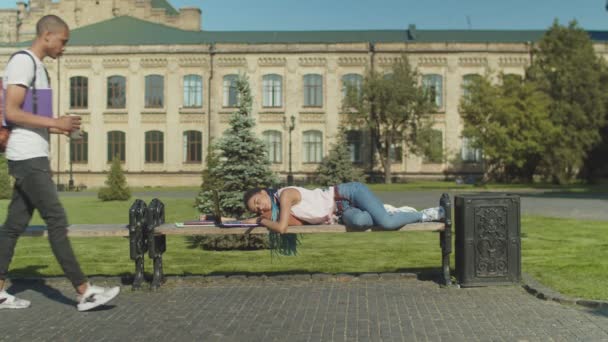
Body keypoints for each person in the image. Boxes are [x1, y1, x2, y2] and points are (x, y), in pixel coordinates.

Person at [0, 15, 120, 311]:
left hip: (32, 153)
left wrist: (60, 127)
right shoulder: (23, 62)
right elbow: (12, 113)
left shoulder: (38, 68)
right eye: (63, 41)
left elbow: (28, 119)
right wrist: (55, 121)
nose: (64, 47)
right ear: (48, 35)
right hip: (27, 157)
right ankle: (84, 291)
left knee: (13, 226)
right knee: (56, 219)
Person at [244, 182, 444, 234]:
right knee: (359, 222)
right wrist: (221, 221)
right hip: (342, 212)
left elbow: (281, 228)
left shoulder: (285, 195)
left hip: (349, 193)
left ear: (263, 192)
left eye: (257, 203)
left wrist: (261, 220)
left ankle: (423, 214)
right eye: (256, 210)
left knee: (387, 223)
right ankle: (387, 210)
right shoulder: (278, 207)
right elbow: (253, 221)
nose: (260, 209)